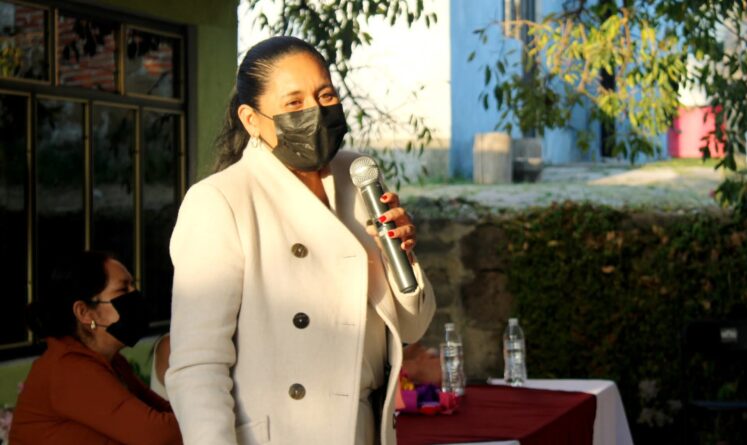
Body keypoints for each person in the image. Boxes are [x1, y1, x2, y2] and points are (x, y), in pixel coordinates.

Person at [166, 36, 436, 445]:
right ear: (251, 119)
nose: (315, 111)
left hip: (363, 432)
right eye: (294, 103)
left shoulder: (357, 178)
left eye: (325, 95)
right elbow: (198, 365)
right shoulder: (220, 200)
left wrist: (399, 254)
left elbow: (412, 327)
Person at [9, 251, 182, 445]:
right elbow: (157, 435)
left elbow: (164, 411)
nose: (135, 296)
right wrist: (203, 414)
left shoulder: (113, 362)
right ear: (84, 312)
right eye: (123, 290)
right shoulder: (69, 368)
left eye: (133, 286)